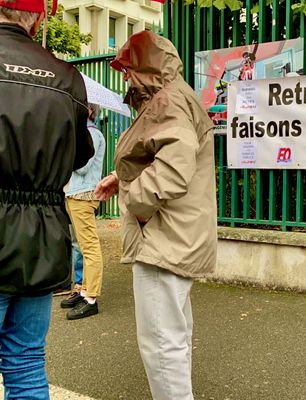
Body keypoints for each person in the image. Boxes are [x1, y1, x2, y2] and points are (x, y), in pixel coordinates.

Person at [95, 30, 217, 400]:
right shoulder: (173, 96)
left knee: (162, 346)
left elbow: (173, 169)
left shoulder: (167, 102)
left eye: (128, 69)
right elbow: (169, 157)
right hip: (175, 235)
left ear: (145, 68)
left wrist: (134, 201)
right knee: (172, 340)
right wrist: (123, 177)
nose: (124, 77)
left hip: (162, 239)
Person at [0, 0, 94, 396]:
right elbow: (81, 155)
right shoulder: (66, 76)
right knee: (26, 362)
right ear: (38, 18)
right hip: (42, 240)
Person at [60, 104, 106, 319]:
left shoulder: (92, 134)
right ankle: (83, 289)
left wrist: (67, 151)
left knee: (89, 247)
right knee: (79, 244)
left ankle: (91, 298)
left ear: (89, 111)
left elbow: (83, 167)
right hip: (74, 194)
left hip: (83, 195)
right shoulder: (84, 133)